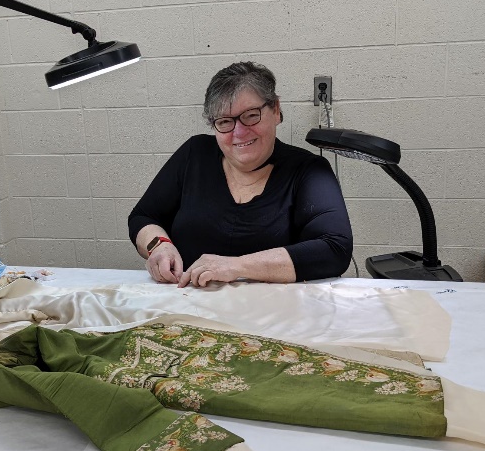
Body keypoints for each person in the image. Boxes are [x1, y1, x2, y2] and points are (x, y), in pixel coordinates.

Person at [128, 61, 352, 287]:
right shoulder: (194, 154)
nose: (239, 132)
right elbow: (144, 216)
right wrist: (160, 245)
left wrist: (235, 267)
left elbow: (335, 248)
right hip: (190, 307)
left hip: (274, 314)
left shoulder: (309, 170)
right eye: (225, 121)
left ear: (275, 110)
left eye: (251, 115)